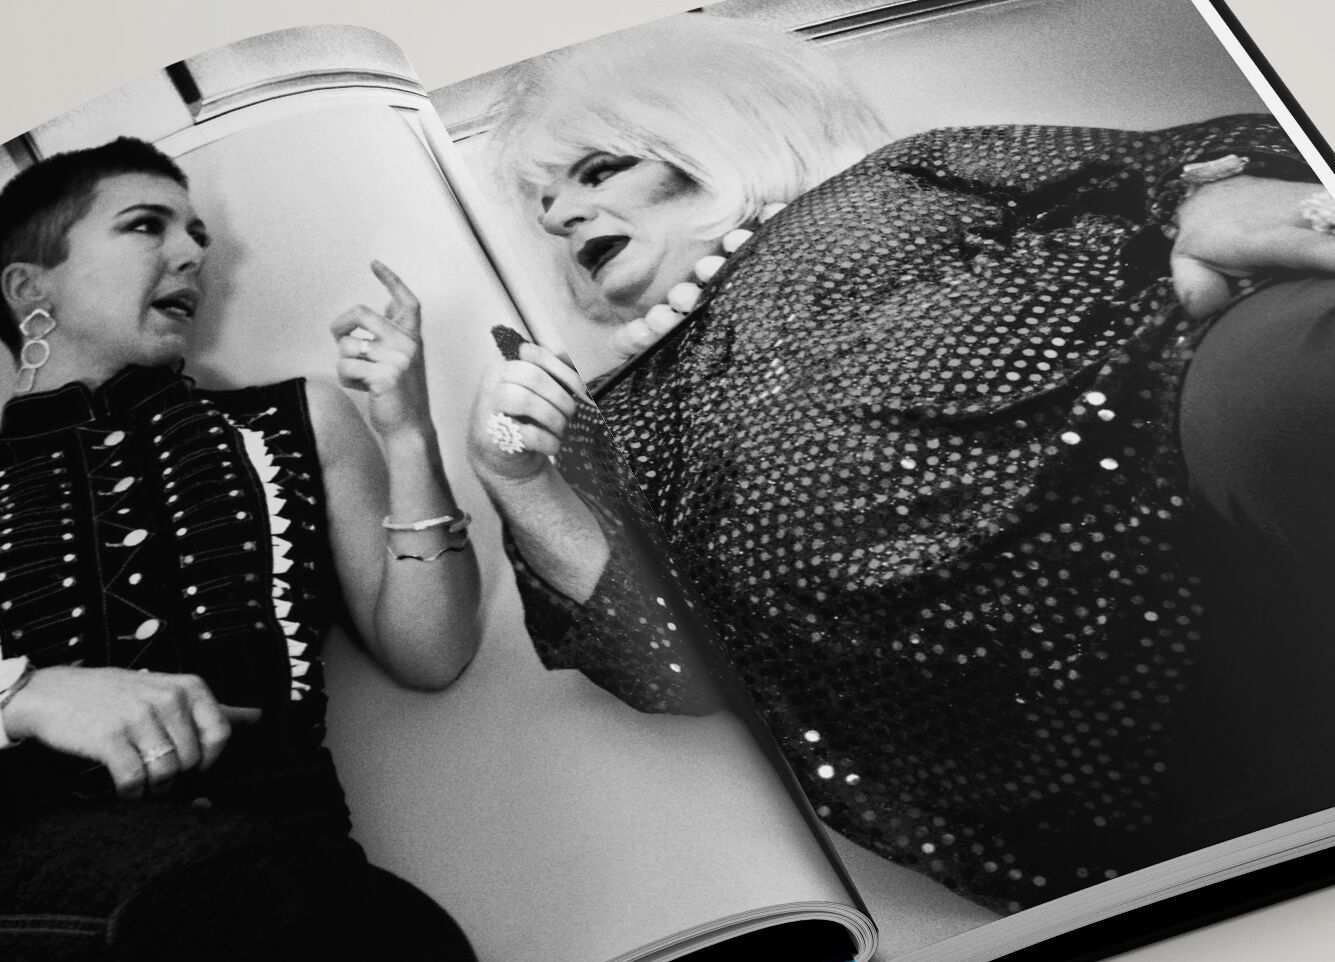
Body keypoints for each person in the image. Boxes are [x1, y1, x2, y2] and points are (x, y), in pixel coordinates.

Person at [466, 15, 1335, 915]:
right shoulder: (607, 412)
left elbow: (1209, 157)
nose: (560, 216)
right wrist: (516, 479)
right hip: (1076, 771)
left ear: (716, 133)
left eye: (599, 170)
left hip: (1185, 425)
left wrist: (1215, 202)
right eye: (548, 207)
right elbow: (661, 661)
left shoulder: (907, 171)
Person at [0, 137, 481, 959]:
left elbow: (429, 651)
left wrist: (408, 433)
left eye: (198, 235)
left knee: (402, 936)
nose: (191, 253)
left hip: (289, 872)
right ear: (28, 287)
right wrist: (27, 695)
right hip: (38, 868)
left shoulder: (290, 419)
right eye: (145, 225)